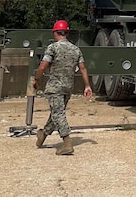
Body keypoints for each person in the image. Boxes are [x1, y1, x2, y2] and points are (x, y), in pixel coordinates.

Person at [33, 20, 93, 155]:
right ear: (66, 33)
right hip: (68, 87)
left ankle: (67, 143)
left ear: (55, 32)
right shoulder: (76, 49)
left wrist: (36, 79)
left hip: (55, 87)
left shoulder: (53, 48)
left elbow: (43, 66)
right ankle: (43, 134)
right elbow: (83, 68)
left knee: (58, 113)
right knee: (57, 112)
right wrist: (87, 86)